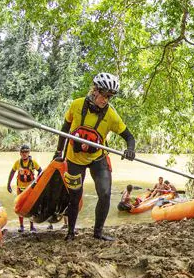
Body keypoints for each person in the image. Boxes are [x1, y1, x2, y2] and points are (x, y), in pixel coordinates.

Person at [54, 72, 135, 241]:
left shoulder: (111, 115)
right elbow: (64, 129)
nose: (105, 100)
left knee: (105, 194)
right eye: (104, 95)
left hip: (98, 158)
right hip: (74, 159)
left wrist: (130, 149)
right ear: (95, 90)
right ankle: (70, 232)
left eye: (109, 97)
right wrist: (58, 152)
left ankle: (98, 232)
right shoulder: (76, 105)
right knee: (75, 196)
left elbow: (129, 137)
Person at [7, 144, 42, 233]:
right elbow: (12, 172)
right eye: (23, 152)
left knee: (31, 207)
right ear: (20, 153)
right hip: (20, 188)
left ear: (29, 152)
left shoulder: (33, 162)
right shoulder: (17, 162)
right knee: (19, 207)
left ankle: (31, 226)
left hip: (30, 189)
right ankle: (21, 226)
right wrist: (8, 184)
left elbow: (40, 171)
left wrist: (37, 182)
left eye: (26, 152)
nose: (24, 154)